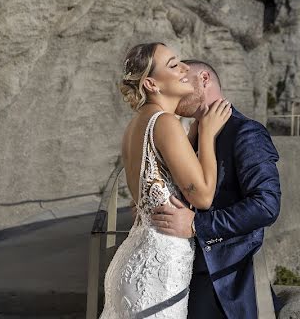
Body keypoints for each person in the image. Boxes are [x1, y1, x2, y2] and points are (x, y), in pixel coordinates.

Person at [99, 42, 233, 319]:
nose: (185, 68)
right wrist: (206, 134)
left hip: (134, 261)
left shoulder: (137, 124)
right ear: (151, 83)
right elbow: (203, 196)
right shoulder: (164, 123)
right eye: (174, 65)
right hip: (157, 270)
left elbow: (151, 189)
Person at [151, 60, 282, 318]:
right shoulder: (189, 137)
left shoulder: (246, 132)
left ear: (204, 79)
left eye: (182, 81)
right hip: (176, 271)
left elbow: (266, 205)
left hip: (220, 280)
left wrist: (197, 225)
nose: (176, 91)